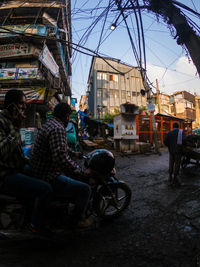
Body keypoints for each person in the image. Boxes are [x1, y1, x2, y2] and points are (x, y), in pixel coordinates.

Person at [30, 102, 92, 229]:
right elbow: (61, 159)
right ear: (67, 116)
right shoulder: (58, 128)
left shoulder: (49, 124)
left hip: (38, 168)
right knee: (85, 189)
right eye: (69, 116)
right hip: (48, 173)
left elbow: (59, 147)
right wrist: (80, 171)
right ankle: (77, 220)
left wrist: (75, 153)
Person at [0, 89, 53, 236]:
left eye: (24, 104)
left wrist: (33, 162)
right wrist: (16, 128)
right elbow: (2, 152)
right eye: (21, 104)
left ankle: (29, 216)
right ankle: (36, 226)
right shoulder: (2, 121)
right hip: (5, 174)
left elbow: (17, 153)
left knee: (43, 174)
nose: (24, 107)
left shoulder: (13, 121)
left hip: (17, 167)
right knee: (45, 189)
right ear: (11, 105)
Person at [164, 122, 186, 187]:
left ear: (172, 127)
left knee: (171, 163)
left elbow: (165, 142)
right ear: (178, 126)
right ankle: (175, 178)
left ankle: (170, 177)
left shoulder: (169, 133)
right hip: (178, 152)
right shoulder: (181, 132)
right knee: (177, 164)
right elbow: (184, 141)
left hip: (171, 152)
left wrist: (170, 146)